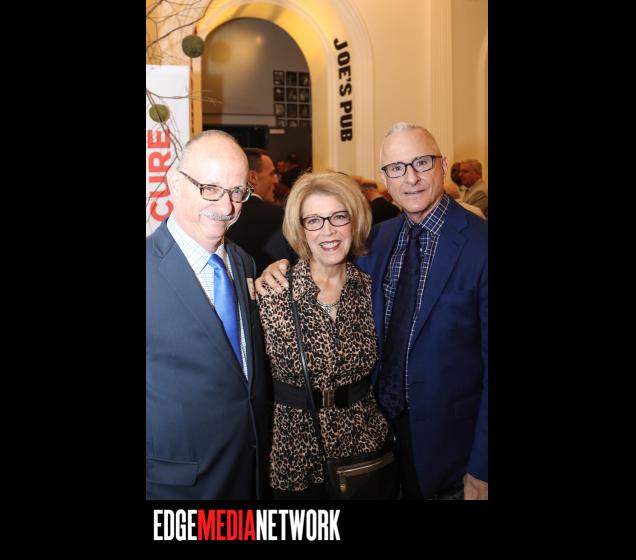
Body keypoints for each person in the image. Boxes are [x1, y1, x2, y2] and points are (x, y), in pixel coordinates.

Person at [257, 122, 488, 500]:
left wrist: (483, 467)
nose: (410, 178)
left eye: (422, 163)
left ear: (443, 165)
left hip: (452, 449)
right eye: (396, 168)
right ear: (385, 177)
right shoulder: (378, 242)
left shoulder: (480, 244)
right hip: (380, 444)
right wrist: (277, 268)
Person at [146, 130, 271, 500]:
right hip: (176, 489)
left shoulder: (244, 261)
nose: (227, 206)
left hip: (248, 473)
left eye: (237, 191)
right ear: (175, 183)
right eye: (211, 188)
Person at [257, 171, 395, 499]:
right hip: (293, 450)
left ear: (355, 221)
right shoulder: (272, 291)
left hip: (364, 445)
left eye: (338, 217)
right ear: (300, 229)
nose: (328, 230)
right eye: (314, 221)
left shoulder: (373, 290)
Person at [226, 147, 296, 275]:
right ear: (253, 177)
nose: (276, 180)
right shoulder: (280, 217)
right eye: (272, 174)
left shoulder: (221, 217)